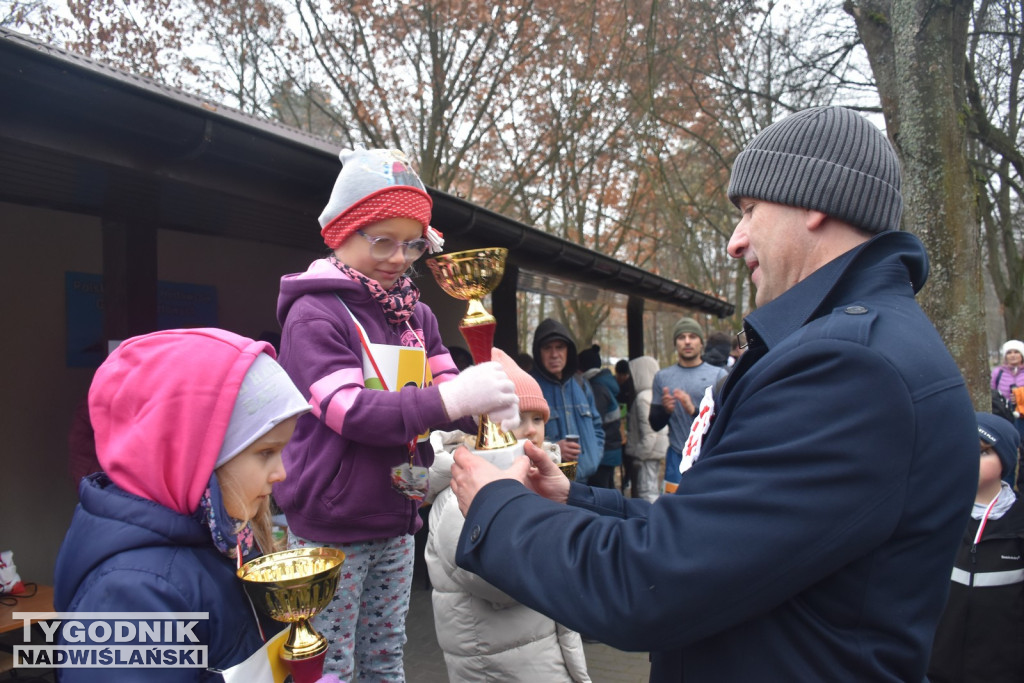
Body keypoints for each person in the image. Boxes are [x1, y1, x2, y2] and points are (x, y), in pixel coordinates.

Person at [446, 106, 978, 682]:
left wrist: (498, 509)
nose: (735, 240)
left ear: (818, 200)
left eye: (750, 210)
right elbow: (722, 541)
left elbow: (649, 587)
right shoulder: (862, 347)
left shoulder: (850, 368)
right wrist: (573, 500)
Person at [273, 148, 519, 681]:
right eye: (381, 239)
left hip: (397, 511)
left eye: (413, 243)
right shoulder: (313, 313)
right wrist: (454, 401)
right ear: (341, 230)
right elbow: (348, 411)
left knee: (386, 654)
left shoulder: (417, 313)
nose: (398, 256)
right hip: (329, 523)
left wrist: (491, 408)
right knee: (331, 660)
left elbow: (448, 387)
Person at [53, 328, 312, 680]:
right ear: (189, 454)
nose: (281, 472)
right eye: (265, 452)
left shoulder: (224, 539)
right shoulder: (135, 596)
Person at [425, 349, 590, 682]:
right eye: (517, 419)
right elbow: (497, 581)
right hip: (498, 666)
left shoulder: (538, 482)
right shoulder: (459, 494)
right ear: (486, 425)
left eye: (538, 419)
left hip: (544, 653)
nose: (530, 431)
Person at [929, 412, 1024, 683]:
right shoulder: (941, 513)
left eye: (983, 453)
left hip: (1002, 669)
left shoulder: (1018, 524)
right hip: (937, 667)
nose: (969, 459)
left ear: (1005, 461)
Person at [648, 317, 728, 493]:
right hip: (676, 456)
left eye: (692, 336)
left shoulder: (719, 375)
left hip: (709, 455)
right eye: (681, 337)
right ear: (675, 343)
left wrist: (694, 411)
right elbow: (654, 424)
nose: (687, 342)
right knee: (673, 511)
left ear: (701, 342)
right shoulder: (662, 377)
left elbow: (726, 421)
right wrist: (666, 411)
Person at [530, 318, 604, 483]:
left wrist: (594, 457)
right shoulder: (530, 387)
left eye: (560, 347)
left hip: (587, 482)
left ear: (568, 351)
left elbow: (597, 427)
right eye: (547, 348)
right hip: (548, 485)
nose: (554, 354)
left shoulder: (581, 384)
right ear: (538, 352)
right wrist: (554, 450)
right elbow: (520, 440)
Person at [624, 356, 669, 503]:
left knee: (647, 492)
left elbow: (650, 434)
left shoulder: (643, 398)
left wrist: (638, 454)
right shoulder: (656, 394)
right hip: (654, 452)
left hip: (647, 455)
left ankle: (651, 523)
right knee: (652, 489)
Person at [578, 344, 623, 489]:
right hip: (611, 448)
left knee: (602, 495)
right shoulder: (605, 383)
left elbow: (593, 423)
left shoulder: (596, 389)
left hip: (605, 452)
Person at [991, 339, 1024, 439]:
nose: (1012, 355)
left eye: (1016, 352)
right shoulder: (998, 373)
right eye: (1009, 353)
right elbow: (992, 392)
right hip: (1004, 412)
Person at [614, 358, 638, 495]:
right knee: (623, 454)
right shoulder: (614, 387)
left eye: (624, 375)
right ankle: (625, 480)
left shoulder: (631, 387)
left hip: (629, 426)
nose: (621, 378)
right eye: (619, 375)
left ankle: (627, 479)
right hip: (619, 426)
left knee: (628, 456)